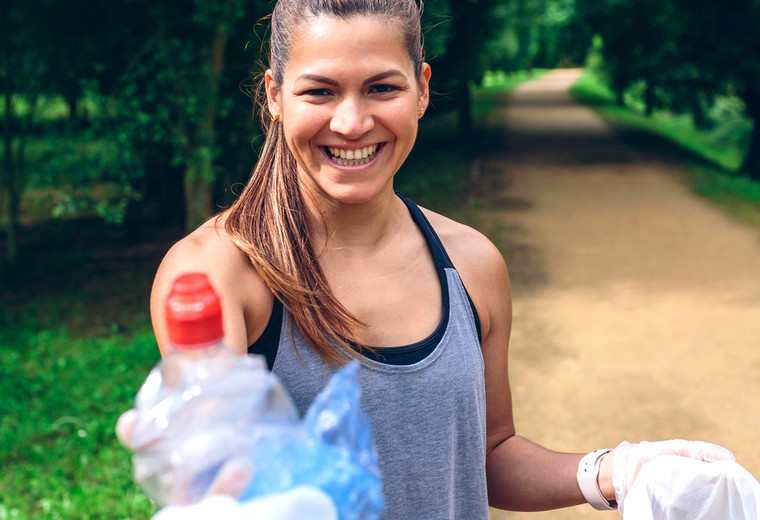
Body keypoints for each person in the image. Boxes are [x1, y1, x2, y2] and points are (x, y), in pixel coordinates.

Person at [118, 0, 736, 518]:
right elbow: (215, 477)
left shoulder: (472, 266)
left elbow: (489, 454)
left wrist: (618, 471)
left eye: (382, 87)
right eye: (320, 91)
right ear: (276, 95)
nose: (352, 121)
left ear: (422, 89)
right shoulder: (218, 273)